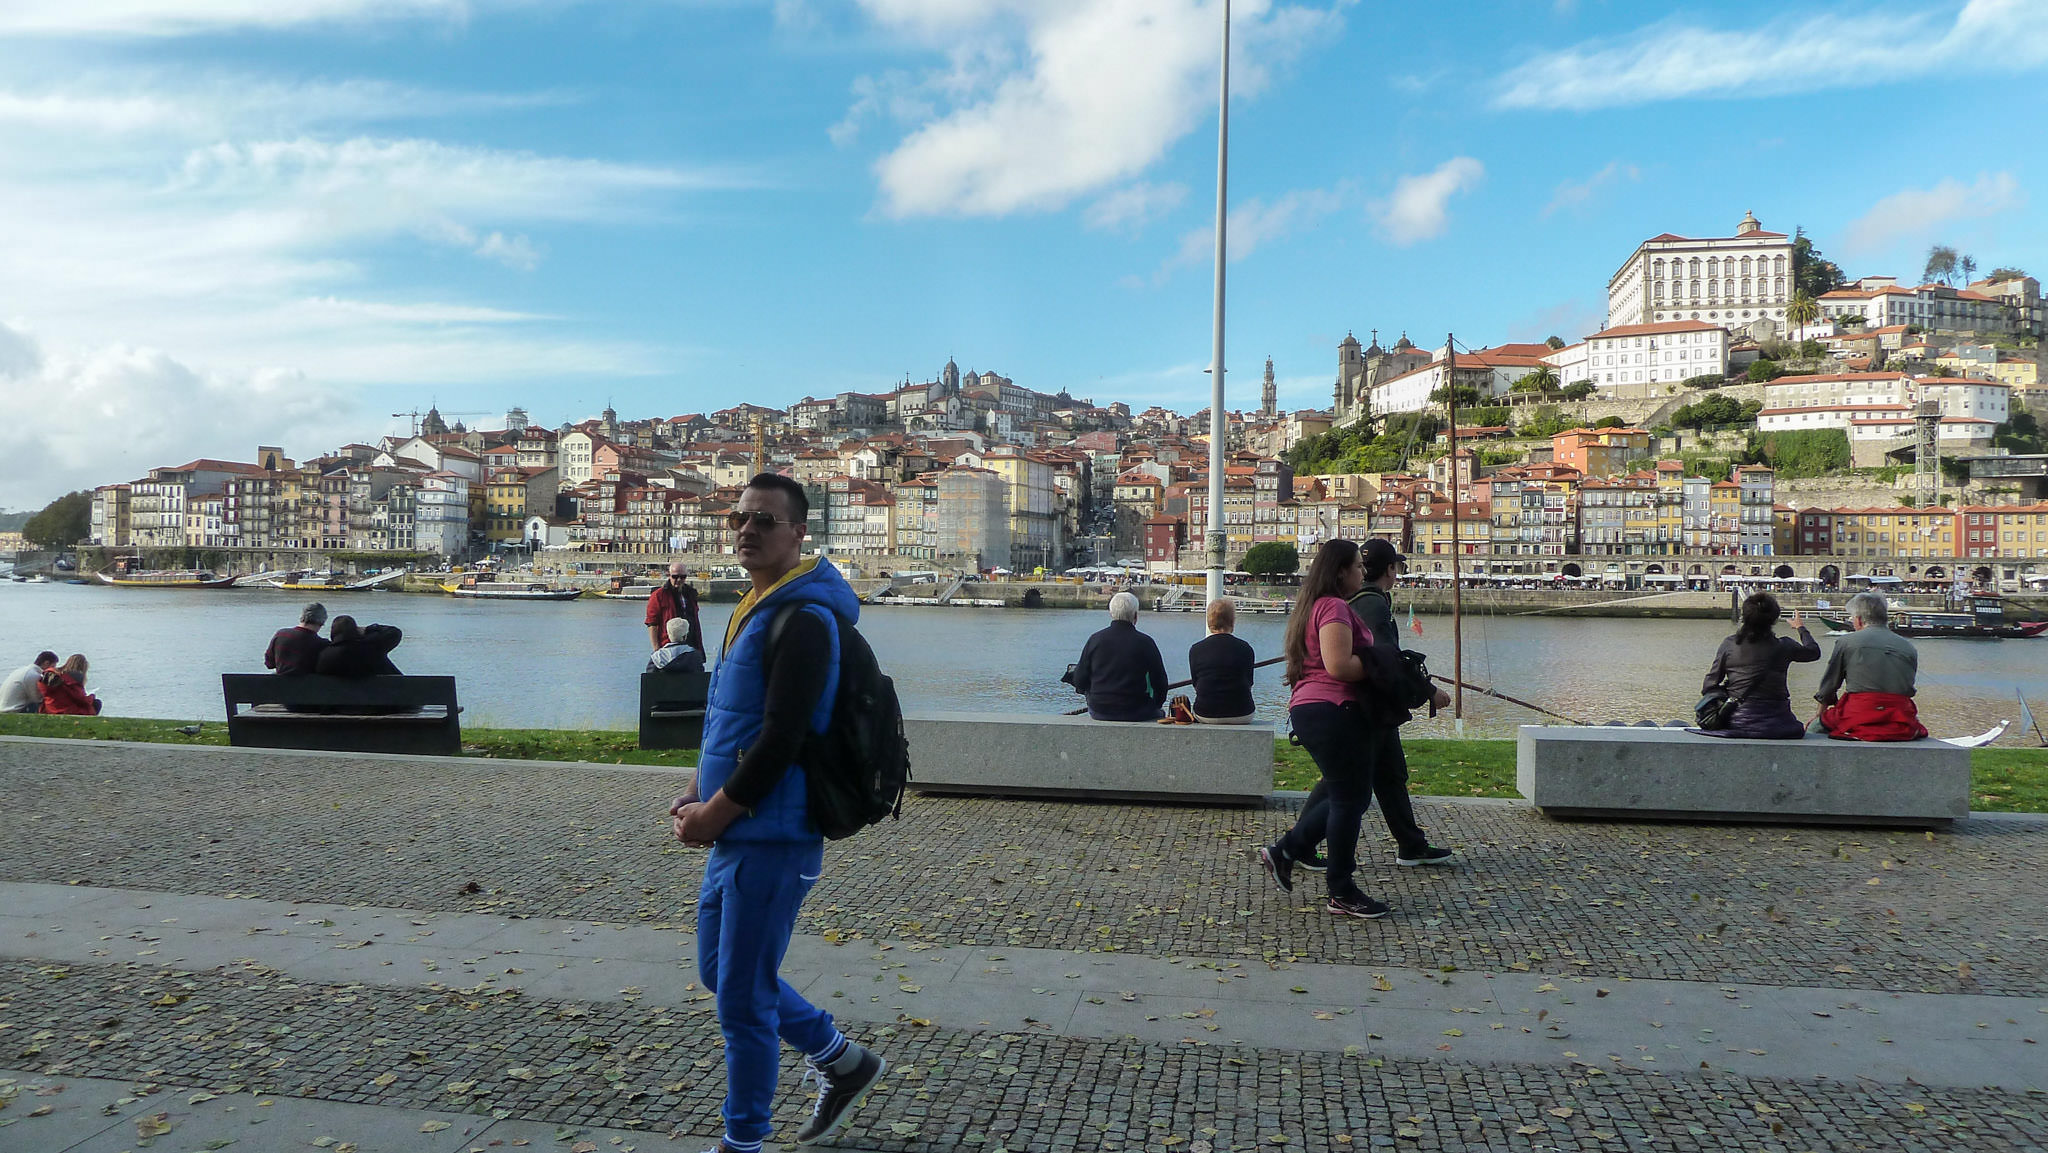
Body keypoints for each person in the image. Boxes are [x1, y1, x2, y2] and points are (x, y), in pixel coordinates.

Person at [668, 473, 886, 1153]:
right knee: (719, 970)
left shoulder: (805, 620)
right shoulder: (755, 606)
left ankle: (743, 1143)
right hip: (739, 825)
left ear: (799, 533)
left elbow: (782, 738)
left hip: (774, 831)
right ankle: (843, 1058)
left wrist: (715, 813)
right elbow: (735, 725)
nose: (748, 528)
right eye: (740, 517)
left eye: (765, 519)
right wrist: (699, 789)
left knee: (741, 998)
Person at [1255, 539, 1393, 920]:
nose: (1363, 572)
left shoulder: (1312, 607)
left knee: (1346, 793)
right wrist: (1384, 666)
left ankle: (1286, 851)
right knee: (1350, 799)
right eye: (1357, 566)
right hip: (1334, 709)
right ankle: (1340, 889)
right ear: (1340, 572)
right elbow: (1339, 666)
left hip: (1315, 708)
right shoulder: (1333, 607)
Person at [1694, 592, 1820, 740]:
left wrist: (1730, 695)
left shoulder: (1730, 644)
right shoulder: (1785, 646)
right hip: (1780, 724)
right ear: (1773, 619)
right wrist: (1801, 628)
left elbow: (1709, 685)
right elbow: (1814, 652)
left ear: (1745, 617)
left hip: (1738, 723)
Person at [1812, 592, 1927, 741]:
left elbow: (1830, 685)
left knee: (1813, 729)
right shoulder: (1908, 646)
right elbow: (1907, 687)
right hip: (1899, 716)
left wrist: (1819, 715)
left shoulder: (1847, 641)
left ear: (1859, 620)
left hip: (1860, 712)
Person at [1063, 592, 1169, 721]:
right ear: (1135, 616)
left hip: (1099, 710)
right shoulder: (1146, 642)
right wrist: (1155, 705)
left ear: (1111, 613)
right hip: (1137, 710)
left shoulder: (1095, 640)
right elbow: (1160, 682)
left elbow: (1080, 680)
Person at [1186, 598, 1256, 724]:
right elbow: (1249, 682)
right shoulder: (1245, 648)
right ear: (1232, 621)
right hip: (1242, 712)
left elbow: (1196, 684)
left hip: (1205, 712)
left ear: (1209, 622)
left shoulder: (1196, 649)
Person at [315, 616, 404, 677]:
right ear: (355, 631)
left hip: (337, 702)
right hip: (381, 700)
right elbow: (395, 632)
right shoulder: (370, 649)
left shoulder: (325, 655)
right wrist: (368, 629)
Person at [646, 562, 704, 654]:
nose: (679, 580)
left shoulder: (691, 593)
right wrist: (657, 650)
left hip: (692, 646)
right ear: (669, 575)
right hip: (668, 647)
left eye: (683, 577)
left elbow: (695, 621)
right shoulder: (658, 595)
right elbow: (652, 624)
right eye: (675, 577)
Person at [265, 603, 329, 674]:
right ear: (322, 622)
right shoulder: (322, 644)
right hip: (307, 683)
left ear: (302, 617)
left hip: (280, 682)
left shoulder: (281, 634)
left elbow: (269, 664)